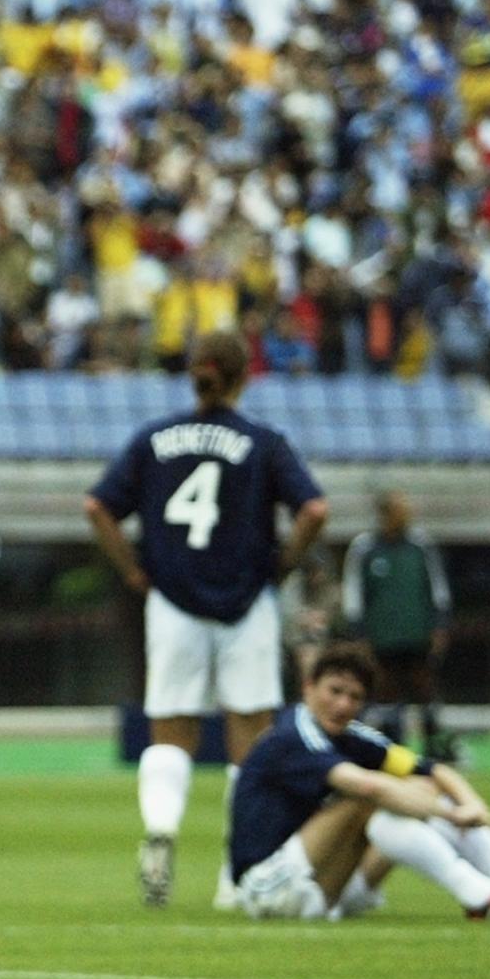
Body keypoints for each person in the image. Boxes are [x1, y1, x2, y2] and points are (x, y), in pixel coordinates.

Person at [87, 329, 329, 910]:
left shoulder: (154, 439)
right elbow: (314, 509)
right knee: (251, 742)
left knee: (170, 730)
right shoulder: (263, 441)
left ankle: (162, 831)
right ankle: (236, 871)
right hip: (246, 602)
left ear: (194, 370)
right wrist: (283, 565)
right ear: (244, 374)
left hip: (172, 600)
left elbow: (98, 506)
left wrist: (133, 571)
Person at [227, 644, 490, 921]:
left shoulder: (353, 736)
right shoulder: (292, 735)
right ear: (308, 687)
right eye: (334, 691)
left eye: (354, 697)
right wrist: (450, 815)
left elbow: (434, 770)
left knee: (411, 791)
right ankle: (482, 895)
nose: (343, 704)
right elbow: (369, 788)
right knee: (371, 797)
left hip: (321, 888)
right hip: (265, 887)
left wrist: (472, 803)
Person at [342, 490, 453, 753]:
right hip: (381, 636)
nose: (406, 515)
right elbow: (354, 593)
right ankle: (392, 745)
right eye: (399, 509)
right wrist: (359, 633)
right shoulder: (364, 547)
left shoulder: (421, 545)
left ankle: (434, 746)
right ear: (384, 514)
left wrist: (440, 625)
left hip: (417, 633)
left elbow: (438, 589)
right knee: (385, 690)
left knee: (424, 688)